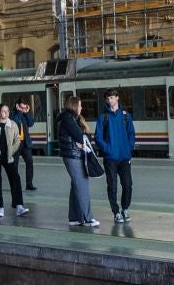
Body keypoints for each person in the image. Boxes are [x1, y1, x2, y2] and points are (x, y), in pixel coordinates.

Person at [94, 89, 136, 223]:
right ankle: (116, 212)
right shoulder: (103, 117)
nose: (109, 100)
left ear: (117, 98)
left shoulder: (126, 116)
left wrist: (128, 149)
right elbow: (98, 137)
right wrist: (108, 150)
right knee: (112, 186)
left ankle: (125, 208)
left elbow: (131, 134)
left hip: (124, 157)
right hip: (110, 158)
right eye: (107, 98)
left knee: (128, 184)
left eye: (112, 98)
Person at [58, 92, 99, 227]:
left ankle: (74, 218)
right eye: (80, 105)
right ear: (74, 106)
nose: (81, 108)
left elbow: (86, 137)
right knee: (82, 185)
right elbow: (80, 136)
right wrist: (82, 139)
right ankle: (87, 218)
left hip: (74, 154)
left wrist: (83, 138)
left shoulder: (71, 118)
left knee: (76, 185)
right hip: (72, 155)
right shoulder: (67, 118)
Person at [0, 103, 28, 219]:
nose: (6, 113)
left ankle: (19, 206)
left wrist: (11, 150)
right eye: (3, 111)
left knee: (15, 179)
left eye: (7, 111)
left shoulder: (12, 124)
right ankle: (0, 208)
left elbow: (17, 139)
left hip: (8, 157)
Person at [13, 100, 36, 191]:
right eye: (21, 108)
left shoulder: (24, 114)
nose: (23, 110)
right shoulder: (13, 114)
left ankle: (29, 184)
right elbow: (14, 121)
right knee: (15, 165)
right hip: (16, 143)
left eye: (24, 108)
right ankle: (14, 184)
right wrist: (19, 111)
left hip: (25, 143)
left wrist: (27, 113)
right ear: (17, 106)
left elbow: (31, 123)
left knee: (30, 163)